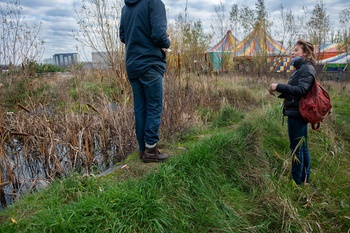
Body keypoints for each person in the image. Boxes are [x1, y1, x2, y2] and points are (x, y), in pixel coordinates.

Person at [119, 0, 171, 163]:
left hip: (133, 65)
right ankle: (151, 150)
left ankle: (143, 150)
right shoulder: (154, 2)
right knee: (154, 106)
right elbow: (159, 35)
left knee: (140, 108)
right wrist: (168, 41)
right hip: (150, 64)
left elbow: (122, 36)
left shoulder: (126, 8)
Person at [268, 39, 316, 185]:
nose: (292, 52)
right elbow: (295, 92)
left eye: (296, 50)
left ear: (305, 53)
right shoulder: (300, 69)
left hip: (297, 114)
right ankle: (304, 178)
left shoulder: (306, 69)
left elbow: (302, 90)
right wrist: (278, 92)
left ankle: (297, 181)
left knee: (296, 148)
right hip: (296, 111)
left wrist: (279, 86)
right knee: (302, 147)